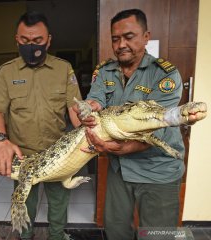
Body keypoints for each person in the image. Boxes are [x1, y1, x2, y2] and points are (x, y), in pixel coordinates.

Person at [76, 9, 185, 240]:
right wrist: (89, 107)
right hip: (120, 169)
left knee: (157, 235)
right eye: (115, 39)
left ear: (146, 36)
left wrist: (121, 148)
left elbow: (158, 126)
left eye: (129, 36)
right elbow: (96, 98)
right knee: (116, 231)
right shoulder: (105, 70)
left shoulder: (165, 75)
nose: (121, 44)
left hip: (158, 170)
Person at [0, 11, 81, 240]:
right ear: (17, 39)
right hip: (23, 157)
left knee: (59, 203)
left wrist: (87, 132)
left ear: (49, 40)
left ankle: (57, 236)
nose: (31, 46)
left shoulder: (63, 69)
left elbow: (74, 109)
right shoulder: (6, 72)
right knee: (24, 205)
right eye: (25, 41)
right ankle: (25, 237)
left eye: (37, 41)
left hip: (58, 154)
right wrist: (0, 140)